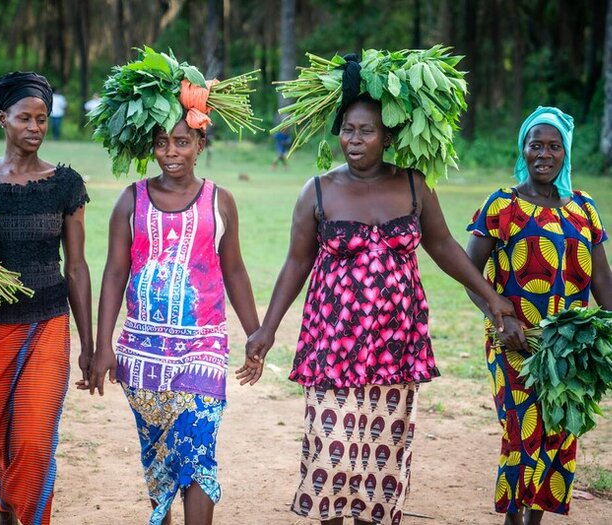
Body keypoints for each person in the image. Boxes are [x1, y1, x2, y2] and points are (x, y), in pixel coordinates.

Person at [244, 55, 517, 525]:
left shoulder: (413, 186)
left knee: (383, 457)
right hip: (332, 343)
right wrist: (267, 329)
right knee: (332, 453)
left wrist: (492, 298)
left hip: (396, 343)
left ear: (387, 135)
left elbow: (444, 245)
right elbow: (296, 263)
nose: (354, 139)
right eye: (348, 129)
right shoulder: (318, 191)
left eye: (366, 130)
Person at [89, 80, 261, 524]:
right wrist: (103, 344)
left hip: (201, 349)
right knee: (160, 463)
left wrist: (255, 331)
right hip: (140, 353)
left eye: (182, 142)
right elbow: (113, 273)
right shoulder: (131, 200)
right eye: (162, 142)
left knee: (199, 456)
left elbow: (236, 269)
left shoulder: (220, 201)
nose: (171, 152)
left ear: (200, 143)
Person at [0, 71, 93, 525]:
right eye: (25, 118)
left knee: (32, 441)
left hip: (47, 324)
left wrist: (89, 344)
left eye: (42, 119)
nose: (34, 127)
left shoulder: (65, 184)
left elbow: (76, 266)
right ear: (3, 119)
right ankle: (8, 513)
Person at [465, 106, 612, 525]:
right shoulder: (501, 206)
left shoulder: (584, 209)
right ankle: (513, 521)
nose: (544, 154)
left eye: (554, 146)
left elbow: (603, 282)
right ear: (523, 149)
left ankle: (534, 521)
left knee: (557, 433)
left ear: (566, 153)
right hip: (515, 342)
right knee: (521, 430)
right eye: (536, 145)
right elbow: (471, 276)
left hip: (570, 349)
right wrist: (501, 318)